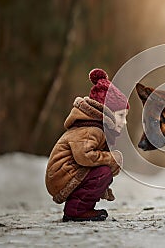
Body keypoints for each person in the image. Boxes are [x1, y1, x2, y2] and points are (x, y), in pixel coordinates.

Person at [45, 68, 129, 222]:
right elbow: (85, 156)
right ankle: (76, 211)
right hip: (62, 175)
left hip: (66, 173)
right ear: (108, 112)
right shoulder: (91, 130)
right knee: (102, 172)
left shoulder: (94, 127)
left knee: (102, 171)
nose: (125, 122)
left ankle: (82, 207)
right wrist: (110, 158)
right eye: (121, 116)